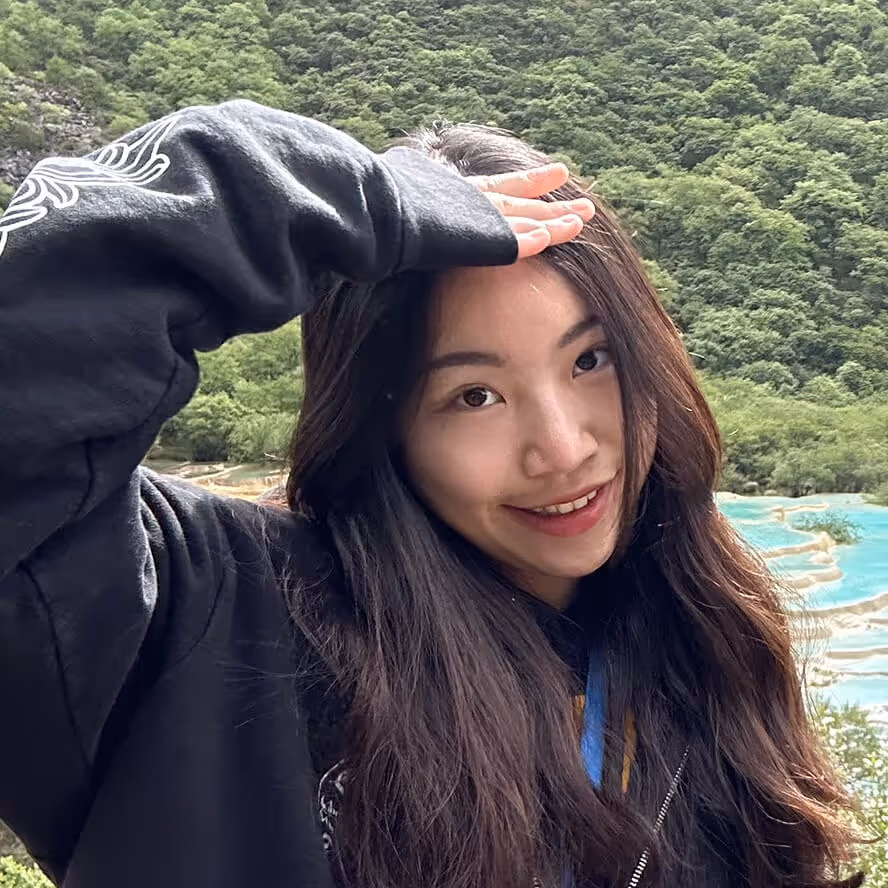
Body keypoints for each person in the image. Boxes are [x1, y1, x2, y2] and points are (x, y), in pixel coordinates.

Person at [0, 101, 862, 888]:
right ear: (381, 424)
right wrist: (332, 198)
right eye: (472, 396)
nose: (563, 449)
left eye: (589, 359)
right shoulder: (209, 619)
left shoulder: (701, 647)